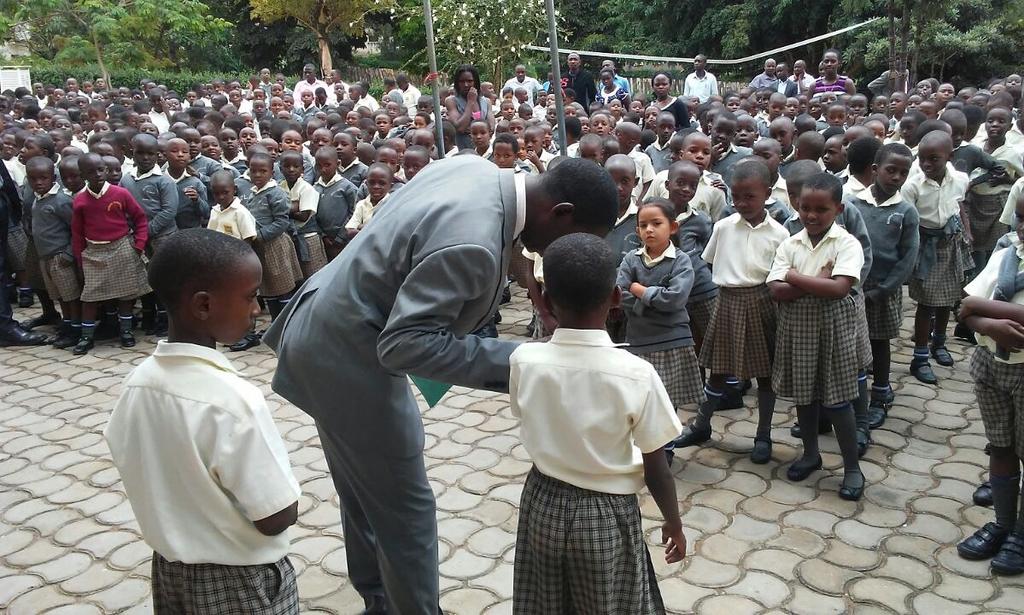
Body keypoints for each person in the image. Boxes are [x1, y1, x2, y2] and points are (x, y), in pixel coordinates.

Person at [262, 156, 617, 614]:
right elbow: (407, 345)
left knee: (366, 490)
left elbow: (444, 239)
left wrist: (522, 278)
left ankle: (382, 600)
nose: (564, 255)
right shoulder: (473, 244)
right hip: (349, 357)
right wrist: (531, 360)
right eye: (574, 240)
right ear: (562, 212)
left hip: (324, 325)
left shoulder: (473, 168)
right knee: (405, 509)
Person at [104, 228, 302, 613]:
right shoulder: (231, 400)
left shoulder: (139, 383)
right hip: (241, 580)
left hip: (170, 569)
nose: (257, 309)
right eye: (249, 296)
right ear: (203, 305)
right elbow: (276, 516)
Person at [510, 233, 686, 614]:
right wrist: (674, 523)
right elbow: (657, 466)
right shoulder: (637, 374)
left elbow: (527, 416)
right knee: (611, 604)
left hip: (541, 502)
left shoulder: (525, 360)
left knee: (545, 602)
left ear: (548, 299)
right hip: (605, 514)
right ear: (616, 298)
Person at [675, 159, 789, 461]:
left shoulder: (780, 233)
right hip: (727, 301)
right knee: (718, 371)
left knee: (766, 374)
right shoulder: (723, 227)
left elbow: (781, 272)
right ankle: (701, 425)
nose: (741, 203)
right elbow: (710, 259)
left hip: (764, 302)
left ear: (767, 193)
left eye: (749, 196)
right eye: (735, 196)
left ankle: (763, 434)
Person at [767, 172, 867, 500]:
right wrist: (816, 279)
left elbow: (839, 289)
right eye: (804, 207)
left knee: (838, 401)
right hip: (798, 330)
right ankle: (811, 454)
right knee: (804, 398)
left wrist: (795, 277)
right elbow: (775, 290)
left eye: (820, 209)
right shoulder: (790, 243)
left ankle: (852, 467)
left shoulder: (846, 243)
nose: (810, 215)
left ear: (838, 209)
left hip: (835, 331)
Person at [956, 191, 1024, 576]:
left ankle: (1021, 534)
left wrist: (988, 308)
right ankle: (1003, 522)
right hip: (990, 364)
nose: (1023, 228)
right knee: (1000, 445)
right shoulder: (1007, 254)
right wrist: (989, 322)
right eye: (1020, 218)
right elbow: (964, 307)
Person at [848, 144, 919, 430]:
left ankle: (879, 395)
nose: (897, 178)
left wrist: (884, 290)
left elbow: (908, 257)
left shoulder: (906, 211)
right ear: (875, 170)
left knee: (879, 344)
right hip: (853, 287)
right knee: (850, 344)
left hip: (882, 291)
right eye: (891, 170)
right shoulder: (853, 203)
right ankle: (850, 395)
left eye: (904, 173)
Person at [902, 131, 972, 384]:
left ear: (950, 156)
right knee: (927, 302)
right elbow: (907, 220)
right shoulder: (913, 185)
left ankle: (939, 343)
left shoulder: (961, 179)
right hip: (925, 245)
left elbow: (959, 205)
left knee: (948, 297)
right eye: (922, 159)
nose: (927, 164)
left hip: (951, 243)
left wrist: (967, 232)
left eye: (934, 159)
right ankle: (919, 356)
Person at [70, 153, 151, 354]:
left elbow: (140, 218)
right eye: (91, 171)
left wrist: (139, 244)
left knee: (125, 295)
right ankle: (86, 337)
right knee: (90, 296)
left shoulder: (120, 194)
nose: (97, 174)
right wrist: (80, 260)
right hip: (94, 251)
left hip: (122, 246)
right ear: (82, 175)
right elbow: (77, 233)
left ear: (106, 170)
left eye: (101, 169)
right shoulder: (80, 200)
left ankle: (126, 332)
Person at [27, 156, 81, 350]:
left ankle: (76, 329)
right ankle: (66, 324)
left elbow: (75, 229)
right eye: (33, 179)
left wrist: (69, 253)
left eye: (43, 178)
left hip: (61, 257)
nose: (38, 182)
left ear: (53, 177)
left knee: (70, 296)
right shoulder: (37, 199)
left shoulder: (61, 200)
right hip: (45, 257)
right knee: (58, 296)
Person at [446, 65, 493, 151]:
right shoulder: (451, 101)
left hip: (485, 151)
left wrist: (472, 129)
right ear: (457, 83)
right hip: (464, 150)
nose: (466, 85)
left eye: (470, 81)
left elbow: (491, 128)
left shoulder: (486, 102)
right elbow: (460, 127)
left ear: (476, 82)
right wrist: (470, 102)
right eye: (461, 81)